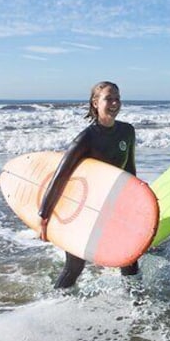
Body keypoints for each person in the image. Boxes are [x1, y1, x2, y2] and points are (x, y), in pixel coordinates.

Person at [39, 81, 138, 289]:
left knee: (129, 260)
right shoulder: (86, 138)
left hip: (113, 206)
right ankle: (54, 305)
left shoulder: (127, 132)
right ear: (95, 103)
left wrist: (138, 202)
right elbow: (60, 178)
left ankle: (139, 308)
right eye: (108, 98)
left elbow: (129, 170)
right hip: (84, 208)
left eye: (117, 98)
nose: (114, 103)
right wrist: (44, 216)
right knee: (74, 266)